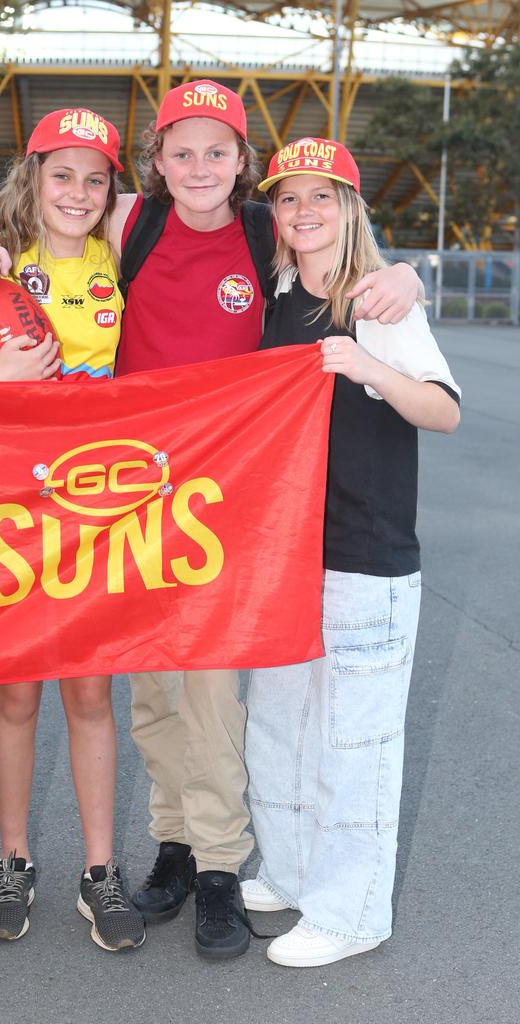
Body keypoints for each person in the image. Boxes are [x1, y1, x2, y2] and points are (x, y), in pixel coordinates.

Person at [0, 82, 423, 959]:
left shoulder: (260, 230)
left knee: (210, 684)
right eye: (182, 151)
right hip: (126, 490)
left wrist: (404, 270)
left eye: (218, 151)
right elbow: (38, 208)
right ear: (157, 165)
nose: (200, 166)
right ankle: (171, 839)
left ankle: (218, 860)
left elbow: (342, 241)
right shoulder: (132, 225)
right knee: (151, 684)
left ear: (243, 164)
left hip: (221, 490)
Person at [243, 138, 460, 967]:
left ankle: (353, 911)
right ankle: (295, 873)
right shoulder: (275, 299)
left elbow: (441, 412)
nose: (305, 213)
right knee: (281, 728)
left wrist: (368, 365)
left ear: (349, 207)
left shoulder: (380, 302)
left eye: (321, 197)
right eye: (290, 199)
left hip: (366, 553)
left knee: (354, 742)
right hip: (286, 556)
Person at [0, 108, 145, 953]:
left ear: (112, 188)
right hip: (16, 513)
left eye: (94, 176)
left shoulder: (121, 252)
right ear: (32, 177)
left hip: (102, 506)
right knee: (18, 692)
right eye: (59, 174)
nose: (77, 191)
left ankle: (100, 872)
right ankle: (14, 860)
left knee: (93, 693)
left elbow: (207, 194)